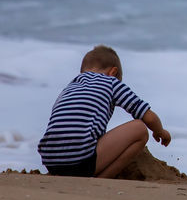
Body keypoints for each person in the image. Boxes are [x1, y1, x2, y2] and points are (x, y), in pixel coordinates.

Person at [37, 44, 172, 178]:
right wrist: (160, 131)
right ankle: (101, 179)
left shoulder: (69, 87)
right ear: (113, 73)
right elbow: (148, 117)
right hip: (79, 162)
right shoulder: (110, 82)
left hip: (51, 160)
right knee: (140, 129)